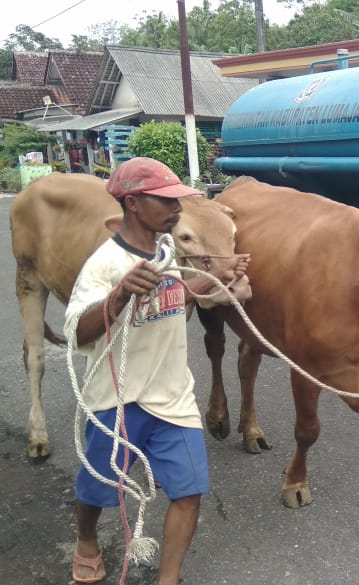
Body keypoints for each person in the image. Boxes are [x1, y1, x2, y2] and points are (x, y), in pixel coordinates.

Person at [64, 157, 249, 584]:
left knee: (189, 491)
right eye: (165, 200)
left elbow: (174, 295)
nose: (176, 208)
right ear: (132, 203)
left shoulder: (167, 251)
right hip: (117, 398)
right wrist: (119, 294)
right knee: (97, 487)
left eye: (177, 199)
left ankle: (168, 578)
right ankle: (86, 540)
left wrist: (218, 276)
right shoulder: (105, 264)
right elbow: (76, 333)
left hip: (172, 396)